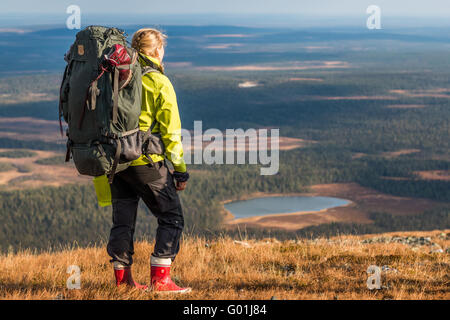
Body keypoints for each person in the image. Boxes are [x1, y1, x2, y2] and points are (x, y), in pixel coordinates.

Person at [95, 28, 190, 294]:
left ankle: (122, 282)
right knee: (171, 217)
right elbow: (171, 133)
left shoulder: (116, 75)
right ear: (158, 51)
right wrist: (180, 171)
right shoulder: (159, 82)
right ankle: (161, 280)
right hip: (145, 162)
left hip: (114, 163)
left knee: (123, 220)